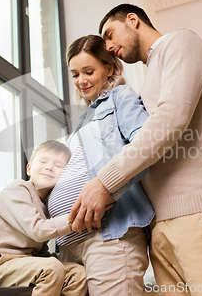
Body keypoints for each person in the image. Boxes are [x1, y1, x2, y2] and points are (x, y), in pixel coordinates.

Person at [69, 4, 202, 295]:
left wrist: (104, 183)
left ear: (133, 20)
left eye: (110, 35)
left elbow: (170, 120)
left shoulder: (182, 42)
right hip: (160, 225)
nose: (109, 47)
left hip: (195, 213)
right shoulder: (149, 77)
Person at [47, 35, 154, 295]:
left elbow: (147, 145)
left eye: (88, 71)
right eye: (74, 74)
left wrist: (106, 185)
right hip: (72, 244)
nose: (81, 80)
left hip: (110, 236)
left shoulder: (120, 98)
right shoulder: (84, 118)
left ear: (109, 67)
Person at [0, 140, 88, 296]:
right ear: (29, 169)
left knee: (78, 274)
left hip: (23, 263)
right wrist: (78, 217)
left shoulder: (47, 206)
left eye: (58, 165)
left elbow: (40, 251)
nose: (49, 167)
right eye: (43, 161)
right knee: (52, 268)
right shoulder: (17, 188)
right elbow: (38, 231)